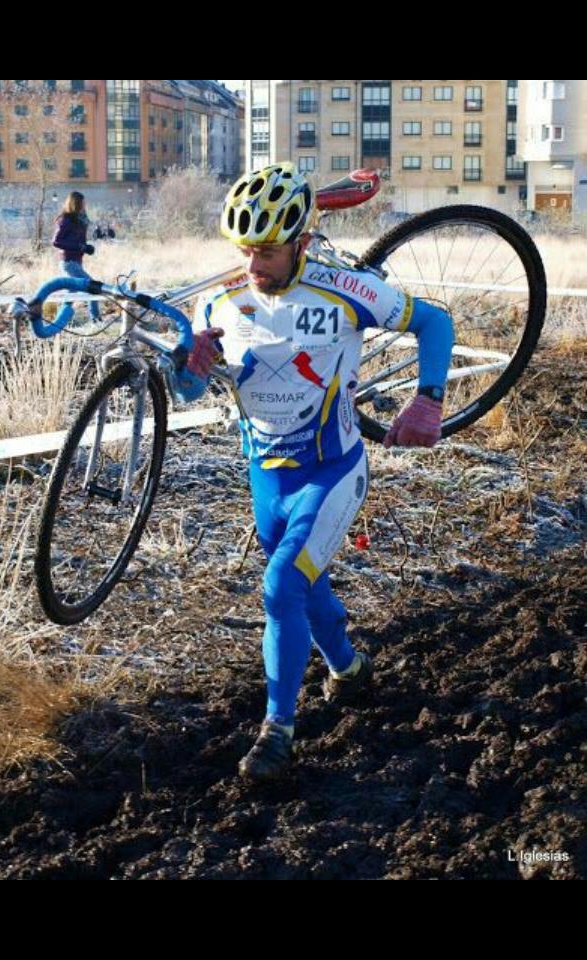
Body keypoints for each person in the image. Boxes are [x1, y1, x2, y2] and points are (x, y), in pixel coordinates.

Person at [174, 162, 454, 782]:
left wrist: (429, 398)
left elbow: (434, 321)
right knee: (303, 586)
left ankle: (278, 732)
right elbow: (189, 390)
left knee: (280, 589)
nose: (253, 264)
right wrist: (188, 366)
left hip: (333, 474)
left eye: (268, 251)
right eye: (245, 249)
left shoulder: (345, 288)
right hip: (266, 477)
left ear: (302, 241)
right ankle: (350, 670)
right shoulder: (219, 301)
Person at [52, 191, 100, 323]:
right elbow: (56, 241)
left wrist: (86, 247)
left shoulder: (80, 219)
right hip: (68, 262)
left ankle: (61, 321)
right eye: (83, 203)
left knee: (71, 292)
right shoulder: (66, 220)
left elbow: (77, 240)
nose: (85, 205)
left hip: (76, 261)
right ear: (76, 204)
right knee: (91, 287)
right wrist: (80, 247)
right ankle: (96, 320)